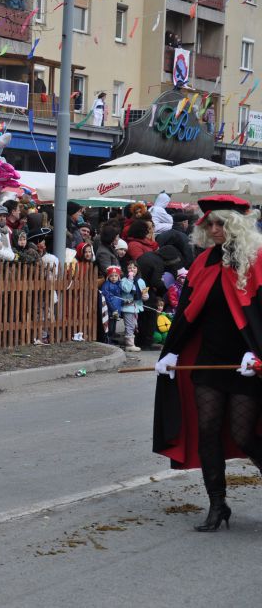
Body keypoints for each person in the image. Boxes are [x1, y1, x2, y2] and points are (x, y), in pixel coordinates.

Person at [153, 195, 262, 532]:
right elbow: (188, 313)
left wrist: (258, 354)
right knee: (207, 430)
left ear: (236, 225)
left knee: (244, 435)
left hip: (246, 361)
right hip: (209, 359)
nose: (215, 230)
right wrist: (172, 351)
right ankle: (217, 504)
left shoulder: (256, 261)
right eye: (209, 224)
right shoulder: (202, 263)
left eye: (222, 224)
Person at [120, 259, 147, 352]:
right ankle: (129, 345)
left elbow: (144, 292)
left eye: (134, 268)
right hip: (128, 307)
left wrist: (145, 296)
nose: (132, 269)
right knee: (130, 325)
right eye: (129, 268)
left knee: (134, 325)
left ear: (137, 269)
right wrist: (130, 279)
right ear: (126, 269)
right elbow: (127, 289)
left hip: (137, 307)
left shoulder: (141, 280)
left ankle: (132, 343)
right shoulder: (124, 280)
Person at [100, 266, 124, 342]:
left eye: (116, 276)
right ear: (108, 277)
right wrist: (113, 309)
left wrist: (123, 302)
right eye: (111, 276)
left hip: (117, 309)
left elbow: (120, 296)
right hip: (110, 309)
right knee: (109, 325)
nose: (114, 278)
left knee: (114, 324)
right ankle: (108, 339)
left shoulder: (119, 284)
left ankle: (112, 338)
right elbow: (106, 297)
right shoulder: (106, 285)